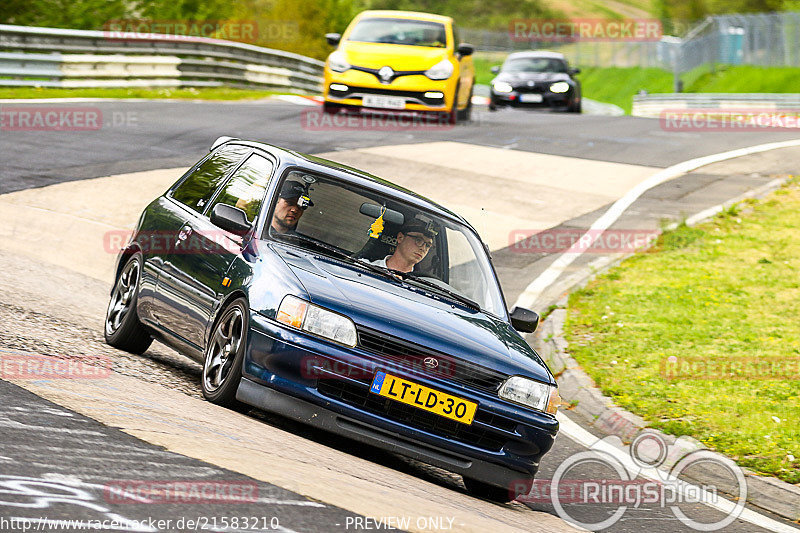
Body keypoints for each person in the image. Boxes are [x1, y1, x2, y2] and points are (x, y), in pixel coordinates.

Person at [368, 220, 436, 273]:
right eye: (418, 240)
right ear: (400, 238)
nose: (423, 248)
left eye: (427, 245)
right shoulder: (365, 268)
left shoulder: (422, 285)